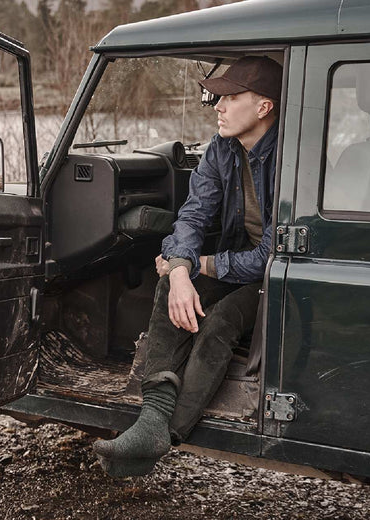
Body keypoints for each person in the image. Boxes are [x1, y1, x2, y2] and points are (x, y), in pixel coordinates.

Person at [93, 55, 283, 478]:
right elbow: (193, 216)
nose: (217, 104)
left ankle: (168, 435)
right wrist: (180, 269)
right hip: (239, 261)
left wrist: (205, 264)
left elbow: (271, 253)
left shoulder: (290, 159)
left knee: (221, 319)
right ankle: (152, 418)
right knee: (170, 284)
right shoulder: (221, 149)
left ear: (263, 106)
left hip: (278, 273)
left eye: (231, 97)